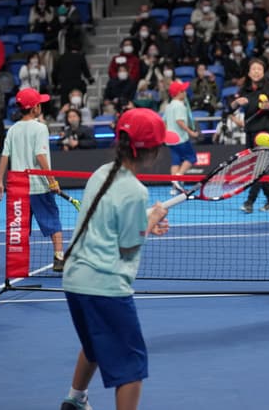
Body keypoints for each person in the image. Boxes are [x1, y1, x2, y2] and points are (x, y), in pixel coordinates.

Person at [60, 108, 178, 410]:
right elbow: (129, 248)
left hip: (74, 280)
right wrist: (149, 221)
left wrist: (145, 218)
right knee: (131, 368)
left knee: (94, 346)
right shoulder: (135, 191)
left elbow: (109, 222)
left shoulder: (102, 172)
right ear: (152, 152)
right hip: (105, 286)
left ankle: (75, 400)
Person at [0, 88, 66, 271]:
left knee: (20, 229)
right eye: (39, 103)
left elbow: (4, 156)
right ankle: (59, 257)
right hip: (38, 186)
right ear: (35, 108)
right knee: (54, 222)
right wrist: (52, 181)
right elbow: (41, 156)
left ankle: (18, 268)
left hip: (18, 188)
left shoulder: (12, 129)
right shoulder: (41, 128)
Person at [231, 59, 269, 213]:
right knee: (257, 168)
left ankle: (249, 202)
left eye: (260, 69)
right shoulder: (245, 89)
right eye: (254, 69)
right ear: (249, 72)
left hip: (264, 133)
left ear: (263, 72)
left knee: (258, 168)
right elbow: (229, 109)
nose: (257, 71)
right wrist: (236, 103)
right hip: (249, 131)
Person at [164, 81, 199, 193]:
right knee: (191, 158)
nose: (185, 93)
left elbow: (163, 121)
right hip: (180, 139)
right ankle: (178, 177)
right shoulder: (180, 106)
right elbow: (179, 121)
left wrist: (166, 133)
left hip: (170, 139)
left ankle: (174, 188)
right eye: (183, 91)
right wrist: (191, 133)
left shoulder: (168, 106)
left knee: (176, 161)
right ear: (178, 93)